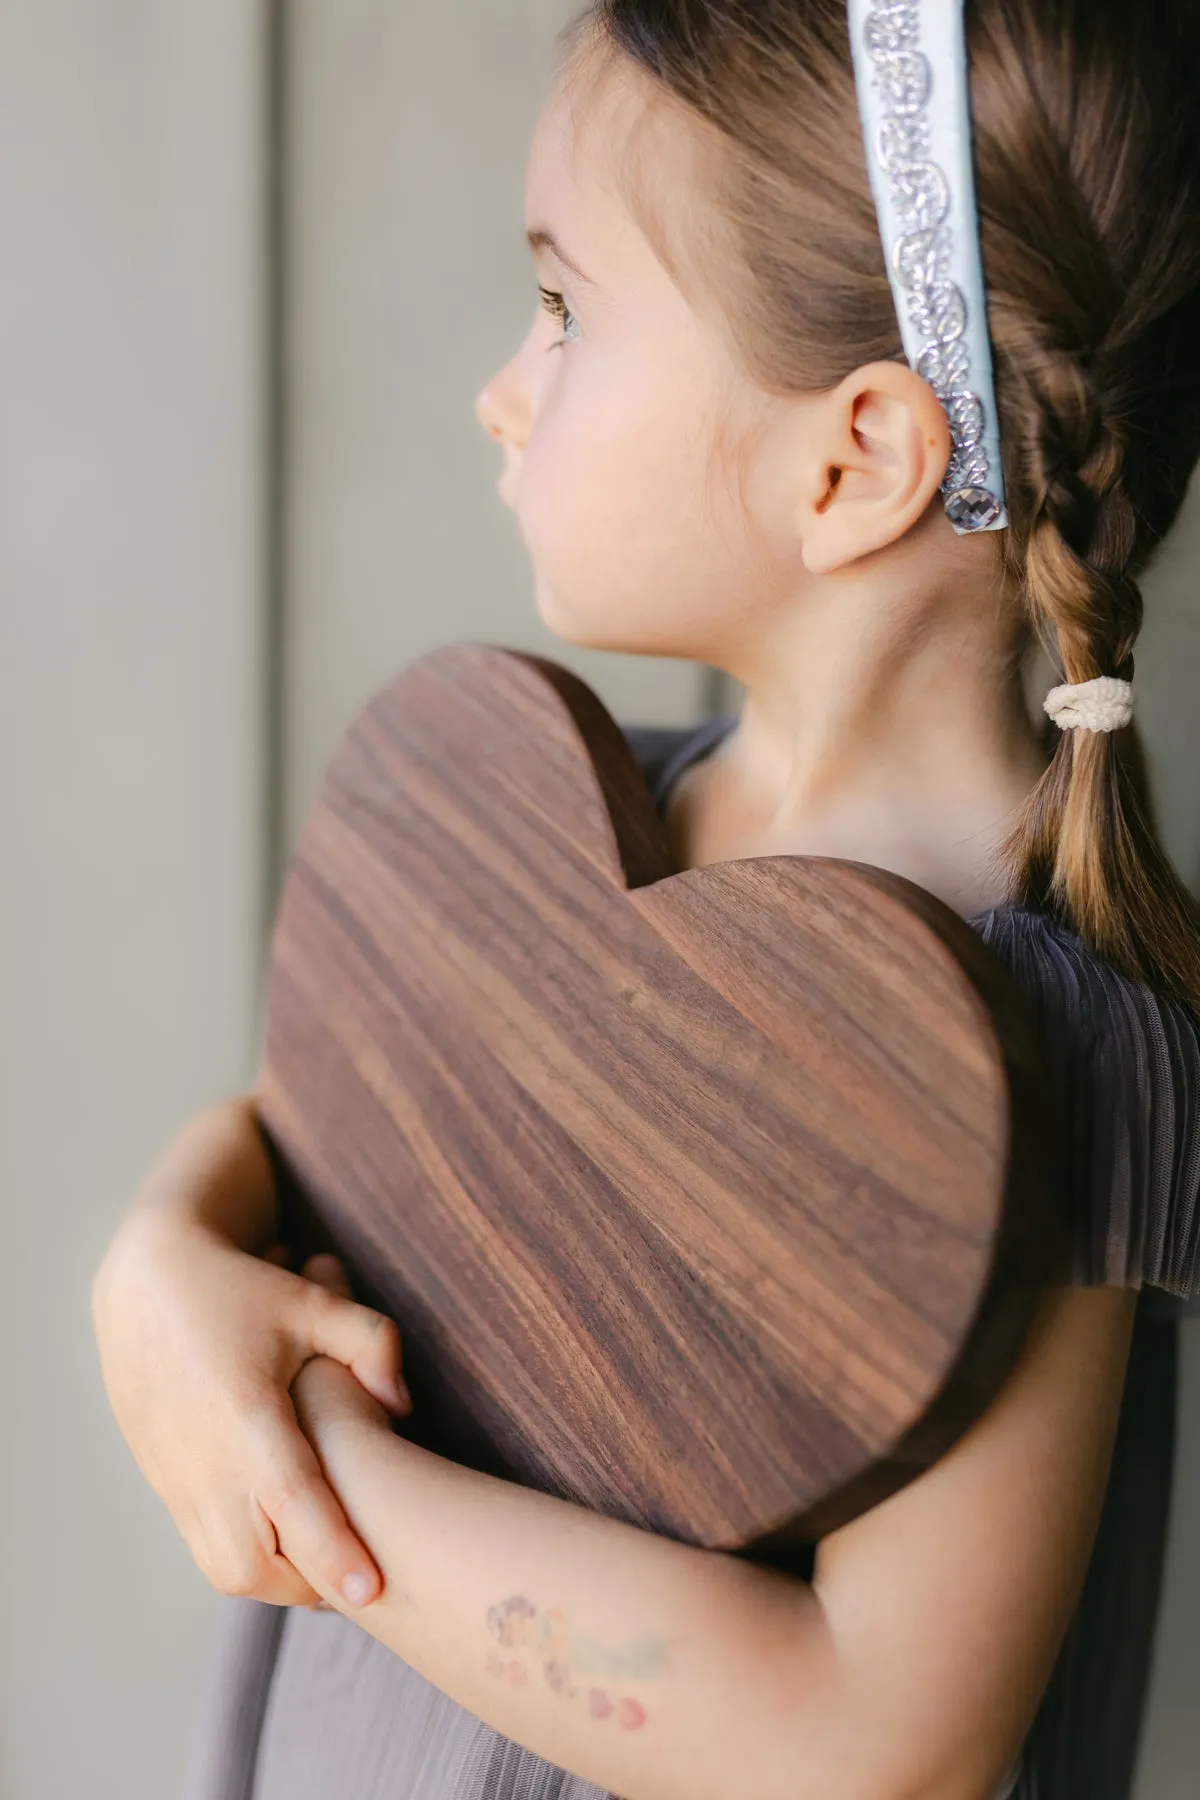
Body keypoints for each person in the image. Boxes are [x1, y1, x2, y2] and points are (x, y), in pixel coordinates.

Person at [90, 3, 1200, 1797]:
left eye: (566, 309)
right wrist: (160, 1263)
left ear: (850, 462)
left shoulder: (1038, 1054)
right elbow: (321, 1122)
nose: (504, 387)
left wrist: (296, 1460)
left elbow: (878, 1736)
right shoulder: (589, 825)